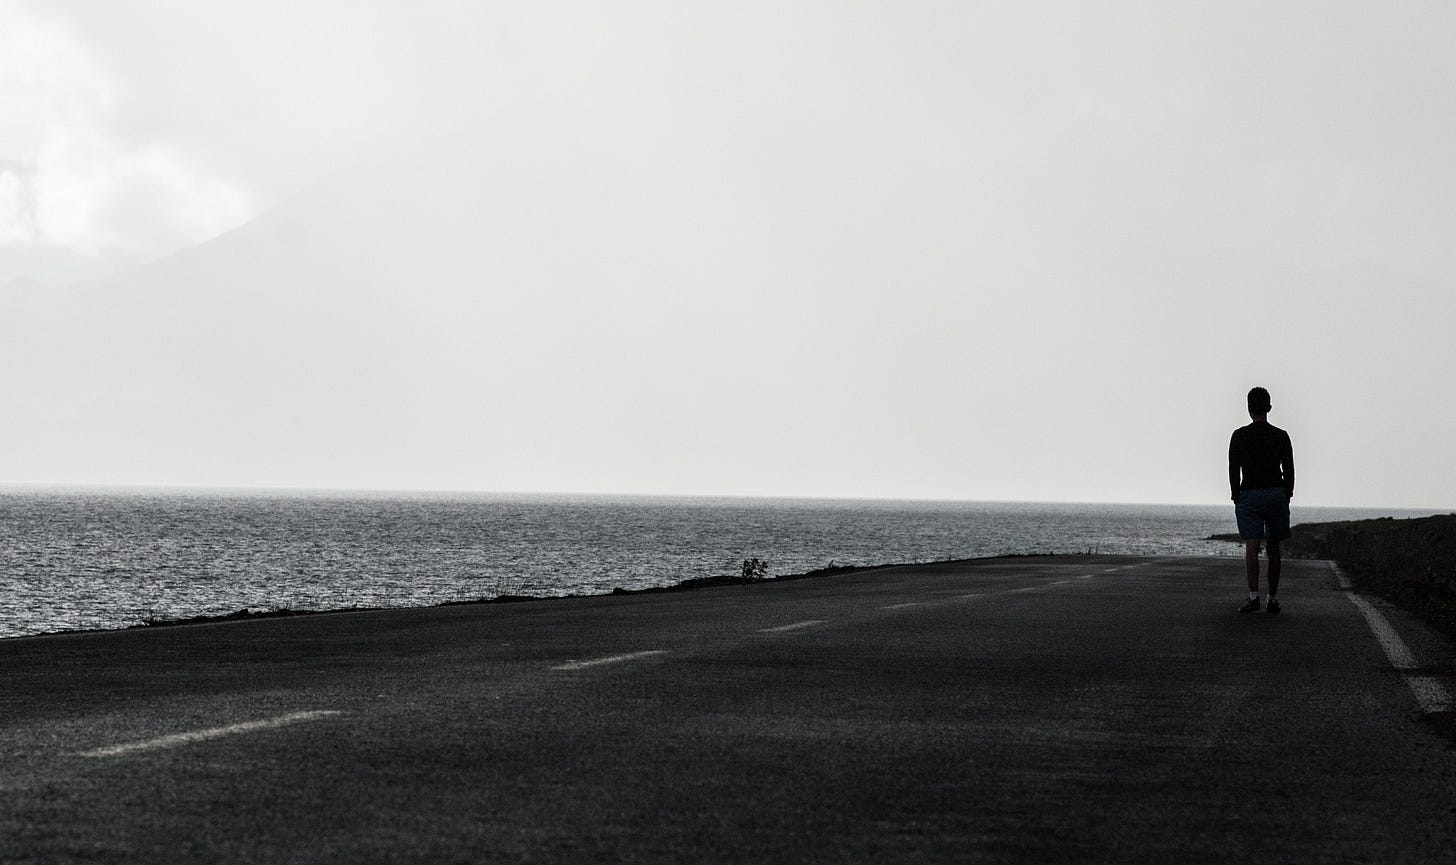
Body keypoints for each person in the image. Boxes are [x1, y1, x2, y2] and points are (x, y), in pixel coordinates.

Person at [1229, 386, 1294, 614]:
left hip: (1249, 494)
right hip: (1276, 493)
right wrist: (1288, 492)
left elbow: (1233, 468)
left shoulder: (1239, 436)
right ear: (1269, 407)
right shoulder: (1281, 436)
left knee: (1252, 545)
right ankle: (1272, 599)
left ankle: (1253, 597)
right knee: (1274, 547)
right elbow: (1289, 468)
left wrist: (1236, 495)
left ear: (1249, 408)